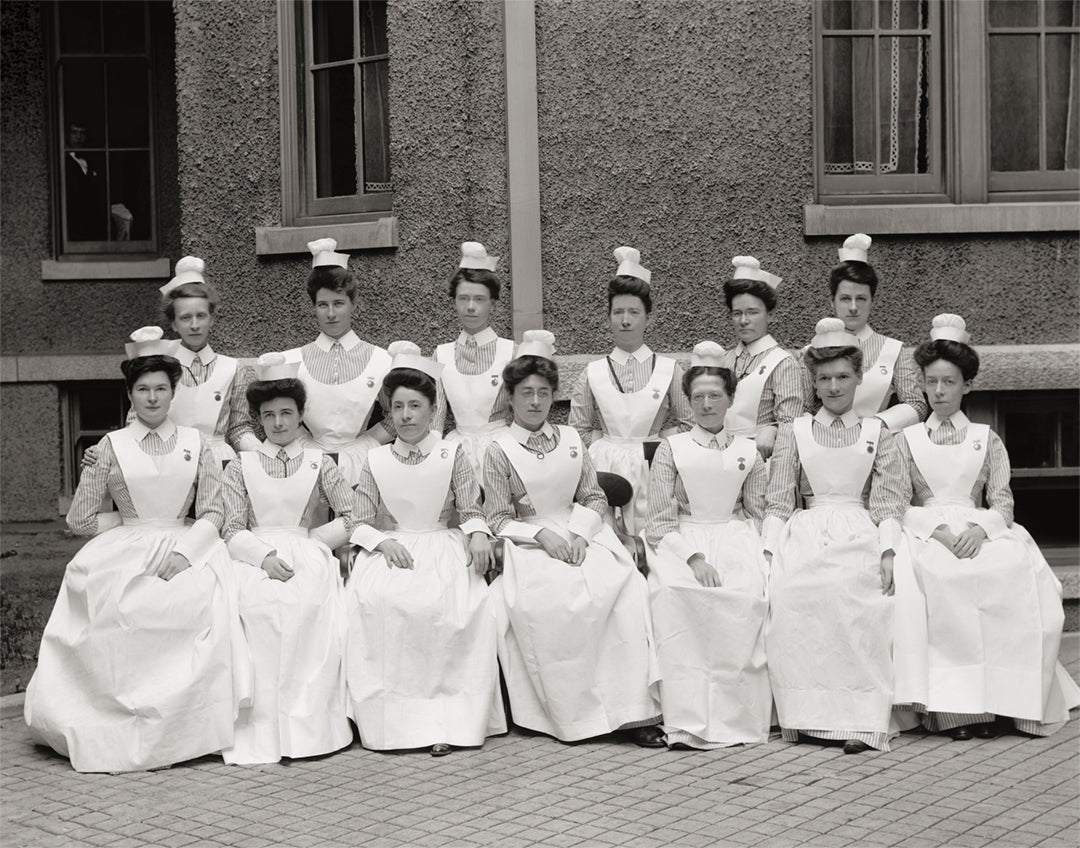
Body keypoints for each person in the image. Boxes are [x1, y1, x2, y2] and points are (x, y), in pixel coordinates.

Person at [24, 327, 249, 773]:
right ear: (130, 394)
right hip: (126, 543)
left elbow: (213, 512)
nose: (152, 399)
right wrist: (128, 527)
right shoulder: (110, 446)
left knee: (192, 603)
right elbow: (80, 520)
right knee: (118, 611)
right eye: (143, 390)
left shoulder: (197, 444)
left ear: (173, 392)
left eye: (161, 389)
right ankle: (118, 719)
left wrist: (185, 552)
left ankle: (182, 727)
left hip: (187, 545)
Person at [891, 314, 1080, 739]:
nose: (939, 392)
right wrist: (937, 533)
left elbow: (1002, 500)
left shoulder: (985, 437)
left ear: (967, 386)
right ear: (922, 383)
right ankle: (955, 711)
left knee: (1008, 574)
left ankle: (1007, 703)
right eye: (932, 382)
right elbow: (898, 502)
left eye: (950, 382)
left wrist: (981, 531)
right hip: (929, 531)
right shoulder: (907, 440)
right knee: (943, 581)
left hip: (979, 529)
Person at [484, 330, 663, 746]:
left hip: (583, 533)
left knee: (627, 591)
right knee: (554, 600)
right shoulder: (498, 450)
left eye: (543, 393)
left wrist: (581, 533)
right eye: (526, 392)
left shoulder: (571, 440)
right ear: (510, 397)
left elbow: (593, 495)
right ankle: (573, 715)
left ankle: (634, 713)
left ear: (553, 396)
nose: (534, 402)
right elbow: (496, 517)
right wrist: (542, 535)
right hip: (529, 541)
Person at [345, 342, 505, 756]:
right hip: (395, 547)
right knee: (380, 600)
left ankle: (447, 720)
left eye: (415, 406)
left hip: (441, 545)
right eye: (398, 407)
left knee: (449, 605)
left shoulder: (453, 453)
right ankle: (394, 723)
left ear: (432, 408)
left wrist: (478, 534)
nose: (406, 416)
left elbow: (470, 508)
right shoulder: (375, 459)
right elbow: (358, 521)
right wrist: (381, 541)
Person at [764, 318, 905, 754]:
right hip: (806, 530)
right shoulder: (795, 431)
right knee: (795, 596)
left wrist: (888, 551)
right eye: (824, 378)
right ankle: (805, 717)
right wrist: (768, 553)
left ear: (860, 378)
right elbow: (779, 500)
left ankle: (860, 721)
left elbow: (887, 501)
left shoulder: (877, 432)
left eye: (843, 376)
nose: (834, 386)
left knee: (854, 598)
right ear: (813, 381)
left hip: (859, 530)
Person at [219, 353, 356, 764]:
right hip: (253, 556)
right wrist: (262, 557)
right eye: (268, 415)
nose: (278, 423)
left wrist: (315, 543)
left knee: (308, 608)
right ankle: (260, 728)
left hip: (306, 551)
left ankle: (305, 728)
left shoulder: (319, 462)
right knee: (257, 609)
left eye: (286, 413)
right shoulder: (240, 465)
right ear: (258, 419)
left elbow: (353, 515)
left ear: (300, 415)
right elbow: (229, 528)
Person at [644, 342, 771, 749]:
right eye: (697, 396)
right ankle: (686, 720)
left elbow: (757, 511)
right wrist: (693, 558)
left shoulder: (748, 451)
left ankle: (737, 719)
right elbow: (659, 521)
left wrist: (758, 552)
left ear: (730, 399)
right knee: (676, 594)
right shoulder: (671, 449)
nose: (706, 403)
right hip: (682, 539)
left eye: (715, 394)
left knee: (745, 593)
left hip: (735, 536)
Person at [82, 256, 260, 471]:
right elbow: (136, 425)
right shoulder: (159, 367)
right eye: (185, 318)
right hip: (171, 464)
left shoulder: (233, 368)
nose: (194, 325)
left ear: (212, 319)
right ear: (174, 324)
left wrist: (262, 452)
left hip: (218, 464)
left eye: (201, 316)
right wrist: (104, 450)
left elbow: (239, 428)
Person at [569, 247, 692, 534]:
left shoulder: (669, 370)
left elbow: (688, 428)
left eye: (634, 312)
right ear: (609, 316)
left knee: (653, 539)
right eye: (618, 312)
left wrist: (660, 448)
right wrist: (606, 448)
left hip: (654, 468)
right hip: (604, 470)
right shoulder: (593, 372)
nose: (625, 320)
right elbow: (578, 432)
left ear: (648, 317)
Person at [283, 238, 396, 486]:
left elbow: (397, 413)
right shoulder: (293, 361)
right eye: (323, 305)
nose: (331, 314)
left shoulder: (381, 360)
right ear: (313, 307)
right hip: (307, 466)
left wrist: (368, 441)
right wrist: (303, 442)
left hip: (363, 466)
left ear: (353, 304)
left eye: (338, 303)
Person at [804, 234, 927, 430]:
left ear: (872, 301)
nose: (853, 307)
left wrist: (875, 425)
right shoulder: (811, 351)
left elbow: (916, 404)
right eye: (845, 299)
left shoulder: (893, 350)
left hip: (877, 443)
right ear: (832, 302)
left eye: (861, 299)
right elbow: (802, 408)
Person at [431, 242, 515, 482]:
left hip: (501, 448)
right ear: (454, 301)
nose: (470, 307)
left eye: (479, 299)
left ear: (493, 303)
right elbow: (437, 416)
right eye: (463, 298)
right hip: (457, 451)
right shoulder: (442, 354)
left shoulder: (510, 352)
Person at [718, 256, 803, 460]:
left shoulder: (782, 362)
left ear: (770, 315)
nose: (744, 321)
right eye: (737, 313)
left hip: (762, 462)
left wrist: (773, 430)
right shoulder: (723, 360)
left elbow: (791, 425)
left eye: (752, 312)